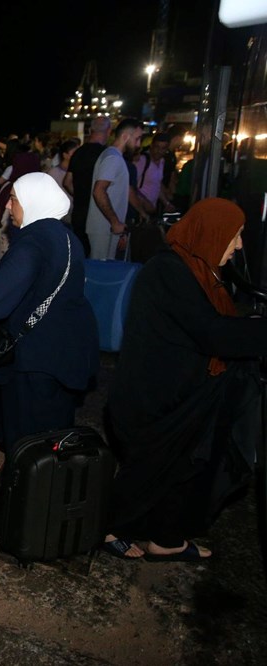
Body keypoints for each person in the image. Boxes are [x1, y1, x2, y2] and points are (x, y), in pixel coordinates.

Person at [105, 199, 264, 562]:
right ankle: (106, 526)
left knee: (182, 469)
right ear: (210, 233)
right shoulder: (169, 271)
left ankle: (165, 538)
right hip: (153, 398)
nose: (239, 245)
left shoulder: (198, 267)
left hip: (182, 393)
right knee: (149, 473)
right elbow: (211, 333)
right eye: (234, 236)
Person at [0, 172, 98, 454]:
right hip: (67, 351)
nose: (9, 207)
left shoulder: (33, 241)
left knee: (27, 441)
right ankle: (49, 489)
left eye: (14, 200)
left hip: (37, 357)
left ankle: (29, 491)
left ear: (32, 201)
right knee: (55, 437)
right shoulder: (67, 236)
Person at [85, 118, 143, 260]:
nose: (139, 144)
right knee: (100, 275)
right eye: (137, 139)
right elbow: (99, 191)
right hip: (103, 229)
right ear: (125, 136)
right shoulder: (113, 158)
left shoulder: (113, 156)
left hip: (107, 229)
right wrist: (115, 222)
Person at [64, 117, 113, 256]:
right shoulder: (106, 155)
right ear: (108, 131)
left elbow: (67, 182)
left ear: (90, 130)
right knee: (98, 257)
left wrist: (80, 194)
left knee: (80, 253)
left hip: (79, 212)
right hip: (98, 214)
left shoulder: (78, 152)